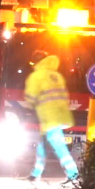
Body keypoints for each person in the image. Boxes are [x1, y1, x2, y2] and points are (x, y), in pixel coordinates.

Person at [24, 53, 78, 182]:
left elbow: (30, 97)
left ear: (36, 62)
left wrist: (29, 105)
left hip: (49, 118)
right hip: (59, 116)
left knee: (59, 147)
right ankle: (35, 174)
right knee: (42, 146)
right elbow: (64, 97)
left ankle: (73, 173)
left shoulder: (36, 76)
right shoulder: (57, 76)